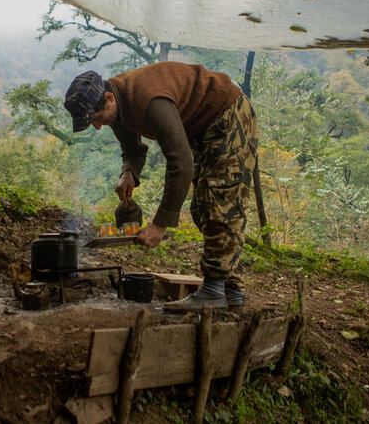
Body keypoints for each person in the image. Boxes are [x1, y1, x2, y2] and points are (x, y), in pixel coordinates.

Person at [63, 61, 259, 311]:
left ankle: (214, 290)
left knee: (218, 201)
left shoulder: (149, 101)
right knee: (204, 207)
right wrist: (128, 173)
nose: (98, 126)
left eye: (98, 118)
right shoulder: (117, 108)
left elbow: (182, 164)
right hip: (204, 129)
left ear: (109, 98)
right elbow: (132, 150)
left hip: (230, 116)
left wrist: (160, 224)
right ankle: (229, 289)